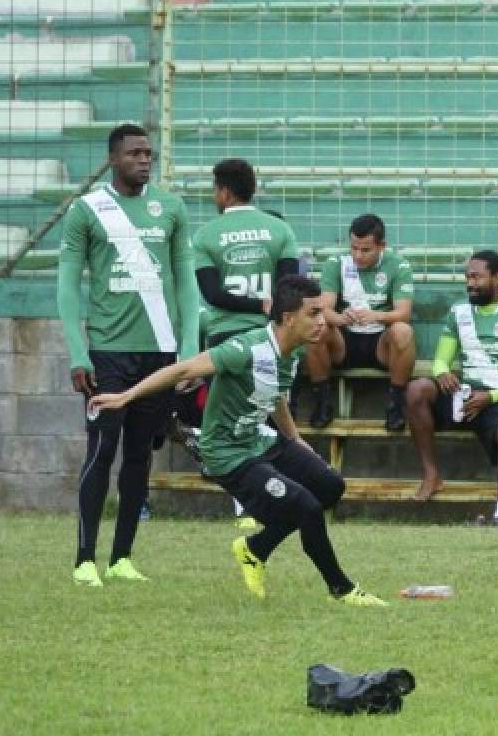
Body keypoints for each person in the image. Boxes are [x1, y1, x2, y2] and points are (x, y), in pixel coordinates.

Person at [88, 275, 388, 606]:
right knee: (306, 508)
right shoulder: (246, 348)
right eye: (314, 313)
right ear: (288, 318)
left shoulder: (292, 350)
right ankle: (341, 589)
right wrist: (125, 396)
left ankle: (254, 549)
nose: (322, 321)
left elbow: (274, 396)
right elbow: (183, 370)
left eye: (322, 313)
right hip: (227, 453)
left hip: (260, 440)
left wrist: (294, 438)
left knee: (330, 486)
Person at [57, 123, 200, 587]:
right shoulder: (86, 211)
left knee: (140, 457)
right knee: (101, 451)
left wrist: (190, 351)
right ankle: (84, 559)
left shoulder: (171, 208)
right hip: (108, 355)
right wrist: (79, 353)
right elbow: (66, 284)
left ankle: (122, 558)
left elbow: (185, 281)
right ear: (114, 158)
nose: (145, 160)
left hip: (159, 353)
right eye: (136, 153)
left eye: (149, 153)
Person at [191, 158, 299, 527]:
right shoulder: (279, 230)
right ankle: (275, 496)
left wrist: (252, 304)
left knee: (230, 426)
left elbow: (211, 294)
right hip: (272, 339)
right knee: (266, 415)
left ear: (223, 191)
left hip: (226, 338)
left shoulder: (206, 235)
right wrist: (267, 308)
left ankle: (250, 505)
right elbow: (288, 291)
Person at [405, 250, 498, 515]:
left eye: (477, 277)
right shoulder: (459, 313)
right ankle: (431, 476)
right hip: (466, 394)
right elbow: (441, 360)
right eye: (467, 277)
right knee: (418, 389)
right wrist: (442, 373)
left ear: (496, 278)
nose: (470, 283)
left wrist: (491, 398)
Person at [305, 214, 416, 432]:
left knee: (403, 331)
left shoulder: (399, 265)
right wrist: (339, 318)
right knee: (315, 327)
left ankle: (395, 405)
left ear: (382, 246)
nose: (358, 255)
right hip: (344, 340)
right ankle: (322, 402)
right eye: (354, 248)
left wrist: (376, 316)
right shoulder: (336, 263)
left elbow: (403, 313)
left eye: (366, 250)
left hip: (380, 342)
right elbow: (324, 308)